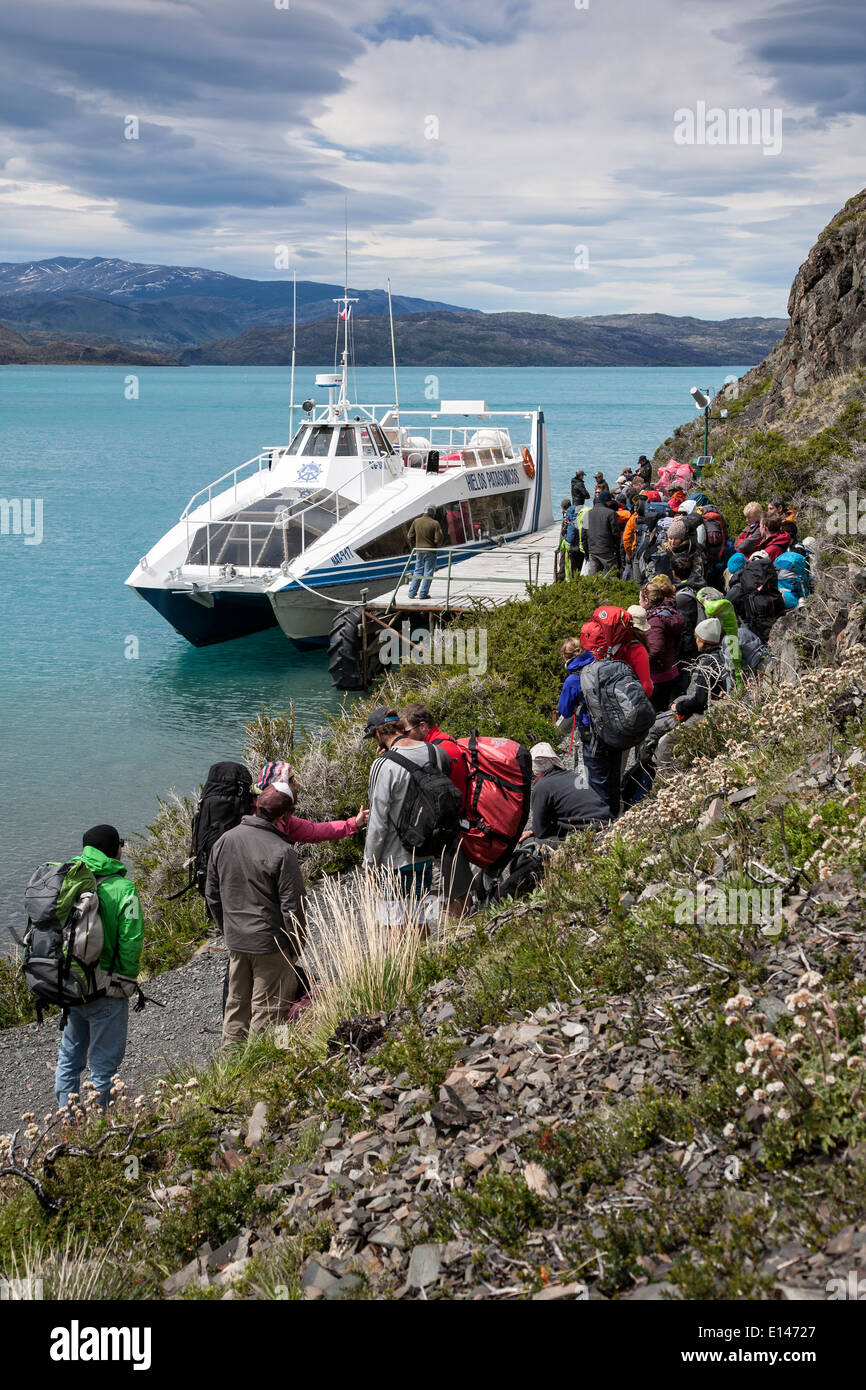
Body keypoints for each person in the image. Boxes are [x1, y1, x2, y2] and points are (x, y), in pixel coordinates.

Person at [206, 785, 306, 1045]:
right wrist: (296, 945)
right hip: (271, 944)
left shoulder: (224, 841)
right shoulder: (282, 851)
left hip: (237, 941)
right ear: (284, 816)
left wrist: (228, 930)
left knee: (236, 1005)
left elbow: (212, 895)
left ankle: (229, 1068)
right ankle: (262, 1070)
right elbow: (292, 907)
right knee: (270, 1009)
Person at [55, 825, 144, 1111]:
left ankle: (66, 1122)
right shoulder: (122, 888)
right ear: (114, 849)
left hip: (71, 984)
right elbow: (131, 940)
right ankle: (99, 1128)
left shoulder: (68, 879)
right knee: (104, 1066)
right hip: (107, 987)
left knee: (69, 1058)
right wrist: (126, 981)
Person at [362, 706, 452, 910]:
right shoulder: (434, 751)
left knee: (397, 924)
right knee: (419, 916)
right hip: (427, 849)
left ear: (378, 732)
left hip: (395, 858)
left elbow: (378, 820)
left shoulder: (382, 765)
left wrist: (370, 864)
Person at [398, 703, 472, 919]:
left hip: (450, 832)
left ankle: (458, 931)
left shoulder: (440, 752)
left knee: (452, 889)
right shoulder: (444, 744)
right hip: (456, 826)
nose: (404, 737)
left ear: (422, 726)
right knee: (454, 884)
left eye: (406, 732)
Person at [654, 617, 730, 767]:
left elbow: (700, 701)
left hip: (709, 712)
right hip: (720, 706)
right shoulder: (722, 656)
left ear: (702, 640)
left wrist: (680, 707)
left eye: (697, 638)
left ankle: (663, 778)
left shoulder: (708, 663)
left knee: (666, 744)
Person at [253, 761, 368, 842]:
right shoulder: (256, 817)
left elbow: (315, 831)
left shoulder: (282, 818)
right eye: (291, 780)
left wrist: (353, 823)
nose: (295, 785)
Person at [525, 743, 612, 841]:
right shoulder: (572, 775)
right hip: (607, 822)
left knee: (529, 842)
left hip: (590, 832)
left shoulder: (541, 786)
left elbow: (541, 831)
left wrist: (533, 830)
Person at [640, 577, 686, 711]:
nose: (639, 602)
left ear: (647, 601)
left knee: (657, 711)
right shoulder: (667, 612)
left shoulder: (654, 621)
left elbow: (656, 648)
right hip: (670, 668)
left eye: (640, 599)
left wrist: (640, 663)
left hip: (659, 675)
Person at [407, 506, 444, 599]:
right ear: (433, 513)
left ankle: (412, 593)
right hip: (431, 551)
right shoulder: (435, 523)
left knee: (418, 571)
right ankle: (423, 594)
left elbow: (409, 536)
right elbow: (437, 539)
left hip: (419, 550)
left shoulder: (416, 521)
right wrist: (437, 545)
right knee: (428, 572)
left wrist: (415, 545)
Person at [585, 490, 622, 576]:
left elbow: (583, 535)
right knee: (612, 577)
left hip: (592, 550)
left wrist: (587, 551)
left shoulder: (587, 514)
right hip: (607, 550)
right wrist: (617, 549)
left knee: (593, 579)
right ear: (608, 502)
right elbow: (615, 534)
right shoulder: (611, 513)